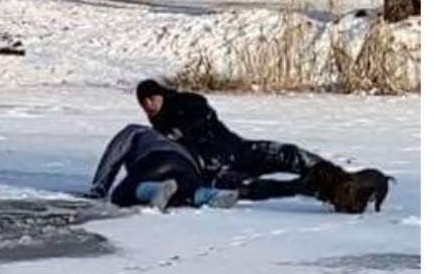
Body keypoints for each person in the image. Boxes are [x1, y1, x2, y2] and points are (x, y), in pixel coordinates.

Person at [128, 80, 340, 201]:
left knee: (287, 153)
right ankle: (310, 188)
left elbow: (201, 108)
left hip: (236, 148)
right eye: (143, 103)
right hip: (213, 170)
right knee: (255, 188)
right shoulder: (158, 130)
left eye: (151, 99)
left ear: (160, 95)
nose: (148, 105)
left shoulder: (186, 102)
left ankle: (337, 176)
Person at [85, 125, 234, 211]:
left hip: (156, 160)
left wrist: (99, 187)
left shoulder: (136, 131)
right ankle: (210, 194)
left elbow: (113, 156)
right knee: (182, 191)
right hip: (186, 164)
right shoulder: (177, 140)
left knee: (122, 193)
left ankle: (153, 190)